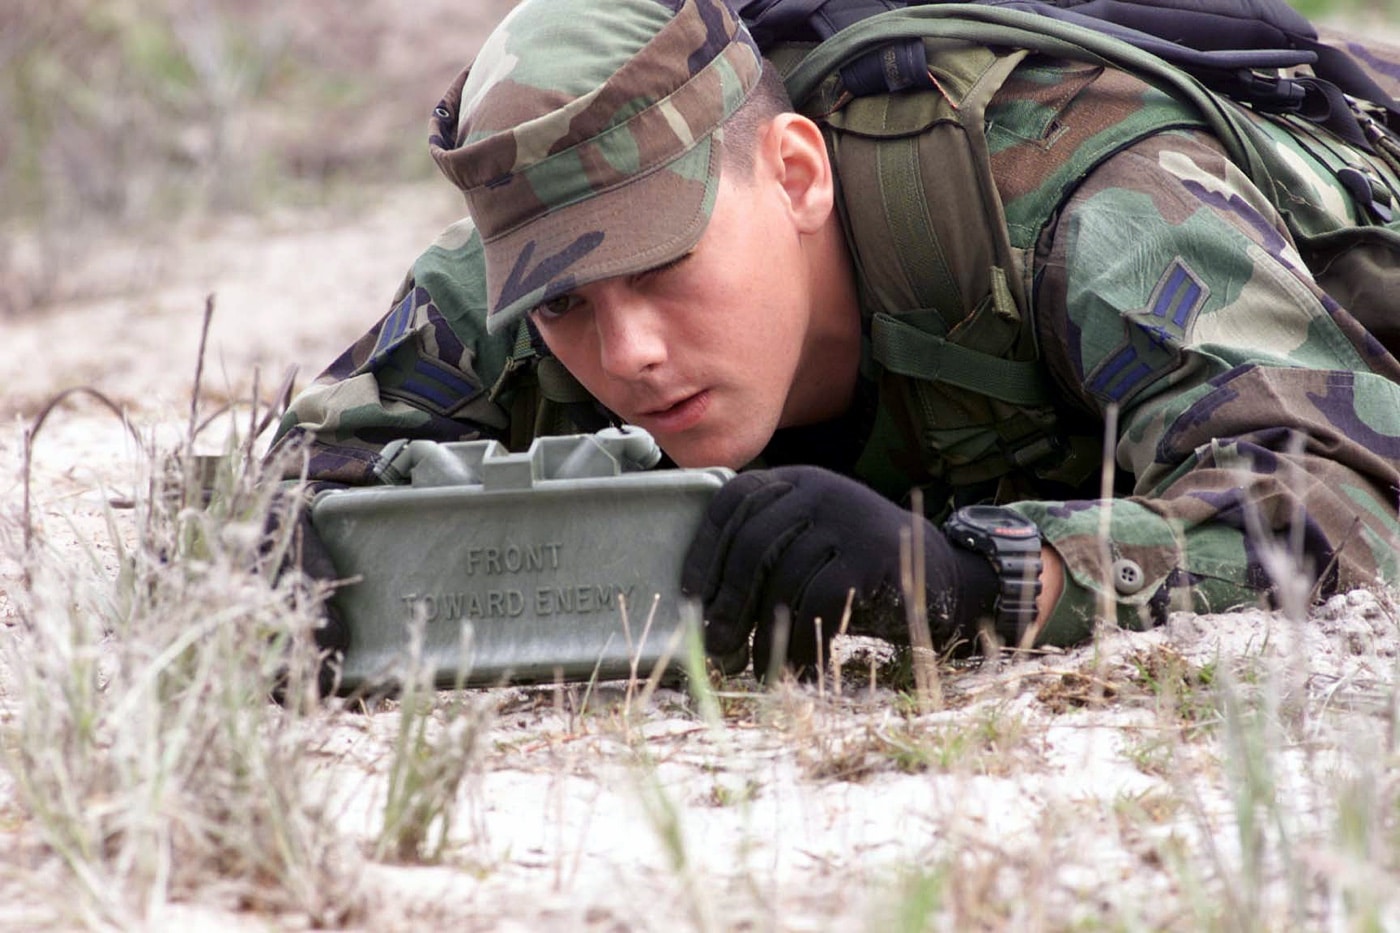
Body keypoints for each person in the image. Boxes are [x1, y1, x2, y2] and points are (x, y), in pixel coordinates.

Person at [270, 0, 1400, 679]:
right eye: (564, 304)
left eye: (661, 269)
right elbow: (288, 485)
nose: (627, 355)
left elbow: (1343, 495)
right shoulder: (537, 273)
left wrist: (974, 581)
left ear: (795, 173)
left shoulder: (1090, 211)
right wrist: (290, 573)